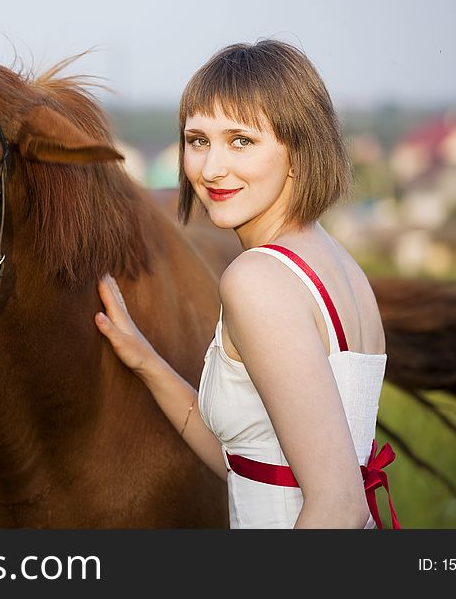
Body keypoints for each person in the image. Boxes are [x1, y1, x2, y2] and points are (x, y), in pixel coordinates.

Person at [94, 40, 399, 529]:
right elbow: (254, 465)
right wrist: (144, 359)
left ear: (299, 151)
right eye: (198, 140)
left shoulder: (257, 279)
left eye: (241, 141)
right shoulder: (339, 265)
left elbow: (339, 506)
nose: (212, 168)